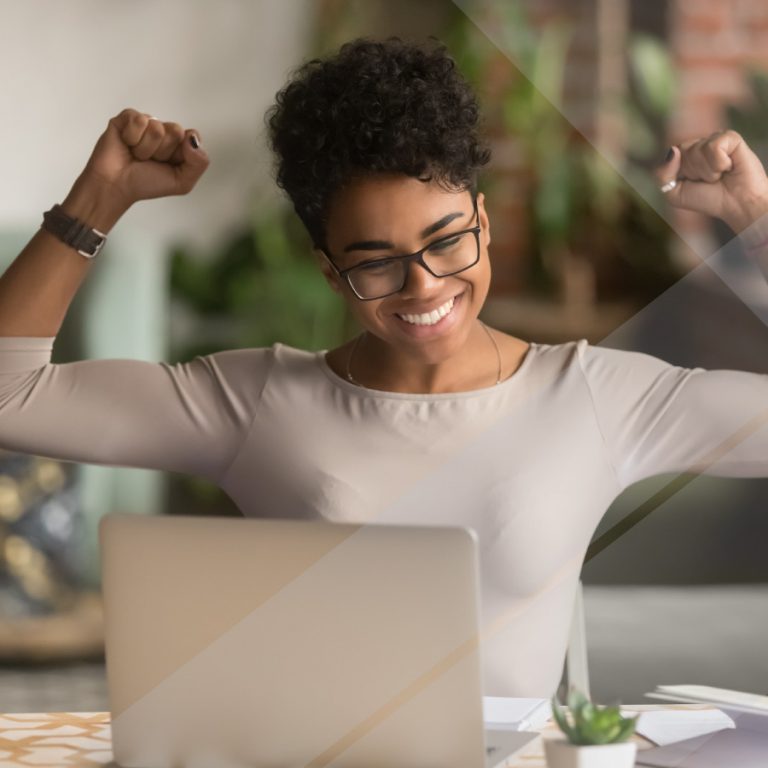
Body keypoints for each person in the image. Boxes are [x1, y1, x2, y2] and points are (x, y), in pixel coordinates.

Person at [1, 37, 767, 697]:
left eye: (446, 241)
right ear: (331, 273)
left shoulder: (597, 397)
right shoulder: (255, 402)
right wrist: (97, 198)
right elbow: (12, 397)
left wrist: (755, 223)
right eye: (377, 263)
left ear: (485, 224)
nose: (425, 285)